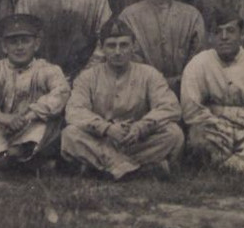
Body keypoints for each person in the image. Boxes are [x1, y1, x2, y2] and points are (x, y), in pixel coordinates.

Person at [61, 17, 184, 180]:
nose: (118, 52)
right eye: (111, 46)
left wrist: (142, 127)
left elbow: (170, 107)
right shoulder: (88, 77)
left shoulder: (149, 74)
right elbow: (74, 111)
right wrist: (106, 128)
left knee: (174, 134)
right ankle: (138, 170)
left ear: (133, 46)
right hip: (102, 139)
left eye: (124, 45)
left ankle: (104, 168)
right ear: (102, 49)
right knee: (70, 134)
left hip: (136, 140)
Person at [0, 13, 71, 173]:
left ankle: (8, 161)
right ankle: (19, 163)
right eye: (13, 42)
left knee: (49, 115)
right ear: (4, 47)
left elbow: (61, 93)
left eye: (25, 41)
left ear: (36, 44)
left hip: (32, 128)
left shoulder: (48, 70)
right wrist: (0, 117)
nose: (19, 47)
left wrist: (28, 116)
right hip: (3, 129)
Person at [179, 10, 244, 175]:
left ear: (242, 36)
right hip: (212, 130)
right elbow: (191, 111)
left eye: (230, 31)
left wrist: (222, 111)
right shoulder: (198, 64)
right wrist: (217, 124)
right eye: (218, 32)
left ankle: (224, 167)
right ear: (210, 38)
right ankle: (235, 166)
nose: (224, 37)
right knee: (199, 142)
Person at [119, 0, 207, 96]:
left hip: (185, 89)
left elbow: (199, 55)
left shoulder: (191, 15)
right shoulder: (129, 15)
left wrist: (181, 82)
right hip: (142, 91)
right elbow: (128, 57)